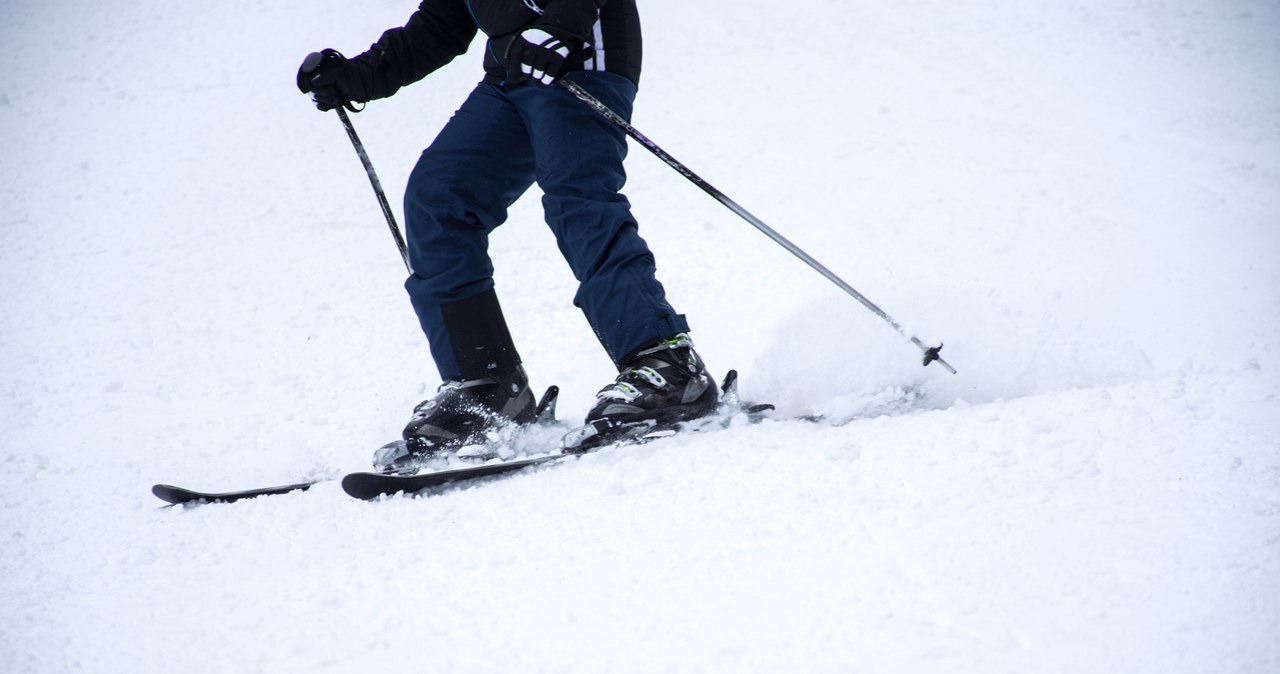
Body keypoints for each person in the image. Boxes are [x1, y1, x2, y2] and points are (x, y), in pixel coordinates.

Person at [298, 0, 717, 467]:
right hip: (510, 69)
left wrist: (561, 24)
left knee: (577, 199)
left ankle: (667, 365)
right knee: (439, 197)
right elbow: (442, 22)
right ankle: (489, 389)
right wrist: (360, 76)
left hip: (578, 57)